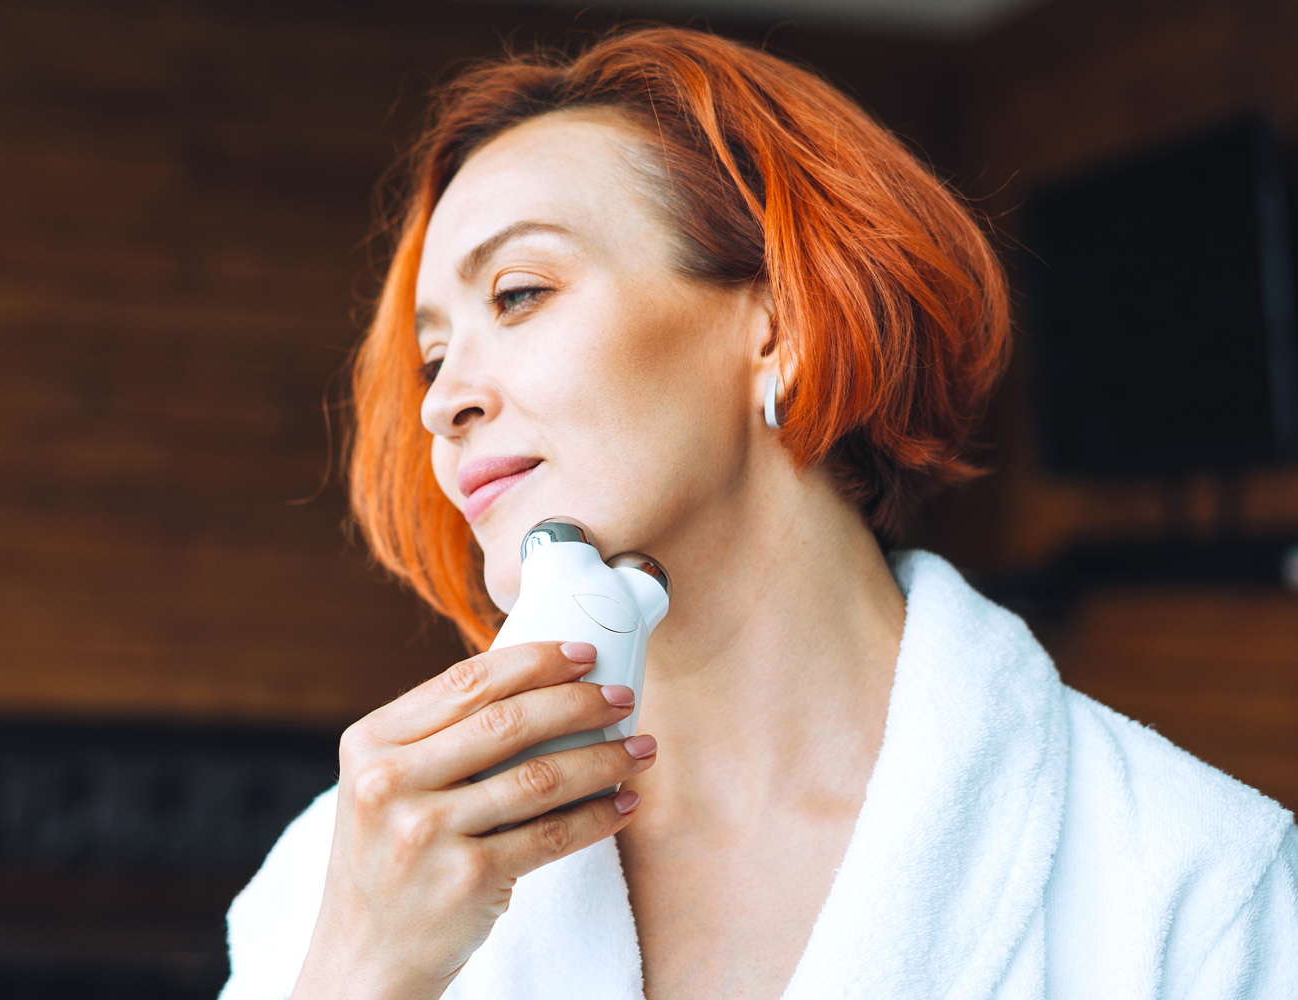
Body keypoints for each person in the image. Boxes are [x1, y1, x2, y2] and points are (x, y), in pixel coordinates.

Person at [220, 27, 1298, 1000]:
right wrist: (356, 974)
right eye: (433, 354)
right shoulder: (343, 883)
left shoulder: (1197, 890)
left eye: (517, 293)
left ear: (779, 319)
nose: (442, 399)